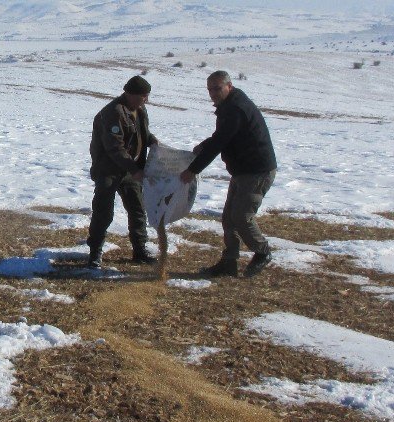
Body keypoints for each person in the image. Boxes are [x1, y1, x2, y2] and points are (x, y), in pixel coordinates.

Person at [180, 70, 277, 278]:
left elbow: (220, 142)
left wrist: (193, 170)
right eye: (210, 89)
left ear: (229, 86)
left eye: (217, 88)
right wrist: (205, 145)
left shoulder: (235, 108)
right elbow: (223, 136)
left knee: (241, 216)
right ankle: (229, 262)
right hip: (242, 170)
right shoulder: (230, 106)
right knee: (228, 218)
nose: (213, 93)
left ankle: (262, 252)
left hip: (256, 171)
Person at [86, 75, 158, 269]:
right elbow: (114, 147)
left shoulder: (139, 110)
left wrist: (153, 141)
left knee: (137, 209)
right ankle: (95, 252)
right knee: (103, 211)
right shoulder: (113, 113)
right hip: (108, 170)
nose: (146, 100)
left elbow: (141, 133)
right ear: (129, 94)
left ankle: (140, 249)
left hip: (129, 169)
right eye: (143, 96)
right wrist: (134, 169)